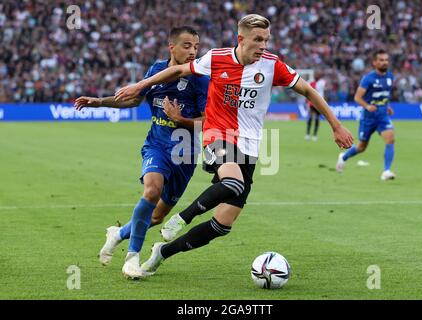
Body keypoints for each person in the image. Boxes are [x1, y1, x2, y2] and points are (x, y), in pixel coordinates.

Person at [114, 14, 353, 276]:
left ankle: (162, 252)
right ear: (241, 39)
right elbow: (177, 70)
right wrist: (140, 84)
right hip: (218, 135)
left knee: (222, 225)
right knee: (232, 183)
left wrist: (336, 125)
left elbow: (308, 90)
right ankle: (181, 218)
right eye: (257, 40)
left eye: (266, 40)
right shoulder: (217, 58)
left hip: (250, 147)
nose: (263, 45)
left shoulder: (273, 65)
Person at [74, 26, 209, 279]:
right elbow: (134, 99)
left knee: (156, 217)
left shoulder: (200, 78)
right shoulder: (156, 71)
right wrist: (100, 101)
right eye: (187, 46)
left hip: (185, 155)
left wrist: (180, 119)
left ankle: (118, 233)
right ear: (172, 47)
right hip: (157, 146)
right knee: (151, 190)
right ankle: (132, 258)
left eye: (196, 47)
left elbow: (208, 121)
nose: (193, 52)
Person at [336, 49, 396, 180]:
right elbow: (357, 98)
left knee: (390, 138)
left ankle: (386, 171)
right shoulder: (368, 79)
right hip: (368, 118)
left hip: (382, 116)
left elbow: (385, 94)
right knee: (361, 147)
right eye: (381, 60)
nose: (384, 62)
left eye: (386, 60)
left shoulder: (390, 76)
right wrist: (367, 106)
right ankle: (344, 157)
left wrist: (388, 106)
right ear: (375, 62)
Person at [305, 73, 326, 141]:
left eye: (317, 75)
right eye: (315, 75)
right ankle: (308, 134)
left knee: (317, 118)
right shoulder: (312, 82)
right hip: (312, 101)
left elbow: (316, 88)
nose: (316, 76)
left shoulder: (321, 82)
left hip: (319, 102)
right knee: (310, 117)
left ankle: (314, 135)